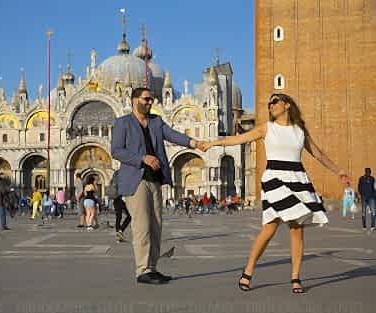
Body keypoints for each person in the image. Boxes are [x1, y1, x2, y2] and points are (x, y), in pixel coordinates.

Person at [201, 93, 347, 293]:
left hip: (297, 179)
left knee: (296, 230)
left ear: (286, 105)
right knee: (269, 228)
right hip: (275, 180)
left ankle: (295, 277)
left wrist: (338, 171)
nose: (270, 105)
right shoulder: (266, 128)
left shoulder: (299, 131)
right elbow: (238, 139)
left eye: (274, 101)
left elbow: (318, 153)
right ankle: (248, 270)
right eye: (269, 103)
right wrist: (212, 144)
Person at [111, 87, 204, 285]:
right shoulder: (123, 123)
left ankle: (152, 267)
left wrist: (193, 142)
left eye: (152, 99)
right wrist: (142, 158)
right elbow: (116, 151)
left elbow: (172, 134)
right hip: (136, 180)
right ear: (135, 100)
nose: (150, 102)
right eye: (146, 99)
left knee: (156, 225)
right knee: (142, 225)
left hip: (155, 179)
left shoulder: (156, 122)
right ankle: (142, 270)